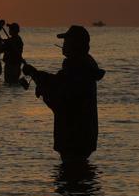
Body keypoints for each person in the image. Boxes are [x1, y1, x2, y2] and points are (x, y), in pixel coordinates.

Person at [22, 25, 106, 165]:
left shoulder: (77, 68)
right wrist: (35, 74)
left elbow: (61, 101)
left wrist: (41, 87)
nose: (63, 45)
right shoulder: (83, 65)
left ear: (75, 45)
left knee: (72, 179)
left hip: (73, 138)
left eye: (66, 41)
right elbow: (57, 82)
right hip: (83, 137)